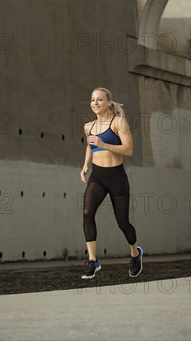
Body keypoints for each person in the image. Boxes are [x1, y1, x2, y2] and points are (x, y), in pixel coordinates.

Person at [80, 87, 143, 280]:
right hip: (97, 176)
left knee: (122, 223)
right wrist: (85, 166)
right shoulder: (88, 126)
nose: (95, 103)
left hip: (116, 177)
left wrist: (104, 144)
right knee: (87, 212)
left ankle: (135, 254)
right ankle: (93, 261)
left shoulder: (119, 122)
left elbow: (129, 150)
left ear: (109, 102)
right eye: (92, 100)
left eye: (99, 99)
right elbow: (90, 146)